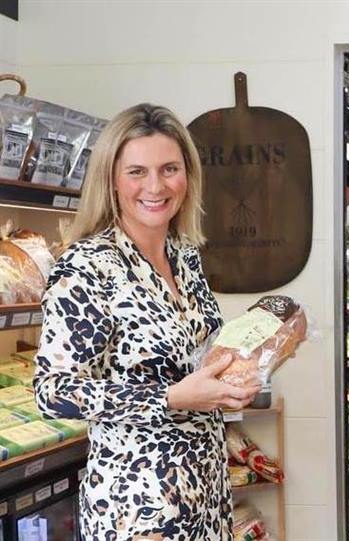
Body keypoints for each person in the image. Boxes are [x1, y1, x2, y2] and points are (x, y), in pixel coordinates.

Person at [33, 104, 259, 539]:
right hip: (138, 504)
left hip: (206, 492)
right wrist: (172, 397)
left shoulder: (185, 255)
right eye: (137, 171)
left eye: (169, 168)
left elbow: (190, 360)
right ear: (112, 181)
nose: (155, 186)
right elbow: (54, 393)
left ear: (188, 176)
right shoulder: (87, 267)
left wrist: (232, 379)